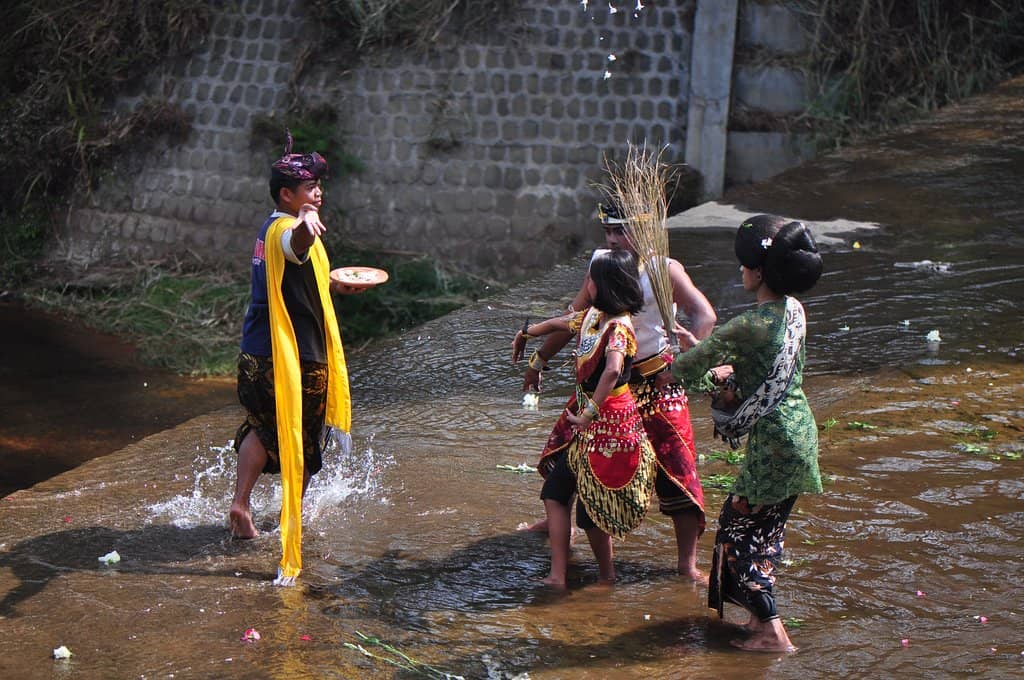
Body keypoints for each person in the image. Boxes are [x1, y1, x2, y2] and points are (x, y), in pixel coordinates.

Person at [519, 200, 716, 581]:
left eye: (621, 231)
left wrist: (683, 366)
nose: (613, 240)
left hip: (658, 382)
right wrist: (538, 360)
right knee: (564, 452)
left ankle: (687, 564)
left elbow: (705, 316)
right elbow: (575, 317)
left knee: (678, 468)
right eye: (608, 232)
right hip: (607, 389)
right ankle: (561, 524)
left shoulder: (665, 270)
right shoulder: (602, 264)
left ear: (643, 231)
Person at [672, 214, 823, 652]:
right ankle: (761, 626)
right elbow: (745, 372)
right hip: (800, 434)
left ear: (759, 272)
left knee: (737, 531)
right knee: (763, 531)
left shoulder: (747, 324)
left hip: (775, 443)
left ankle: (772, 631)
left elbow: (689, 374)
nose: (740, 272)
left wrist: (676, 366)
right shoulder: (793, 312)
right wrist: (701, 354)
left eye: (743, 266)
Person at [229, 132, 361, 586]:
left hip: (253, 355)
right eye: (310, 188)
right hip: (294, 360)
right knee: (301, 442)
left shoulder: (266, 229)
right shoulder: (287, 229)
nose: (319, 193)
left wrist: (335, 287)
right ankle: (291, 518)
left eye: (320, 186)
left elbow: (297, 278)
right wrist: (305, 221)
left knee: (261, 428)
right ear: (287, 196)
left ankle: (241, 504)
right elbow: (298, 244)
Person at [512, 249, 657, 587]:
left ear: (606, 285)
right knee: (555, 493)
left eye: (591, 278)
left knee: (590, 514)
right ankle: (558, 575)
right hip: (587, 429)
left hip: (609, 428)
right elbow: (562, 323)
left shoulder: (619, 327)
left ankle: (606, 577)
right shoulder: (594, 316)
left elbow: (613, 370)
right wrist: (527, 332)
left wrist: (589, 411)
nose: (586, 283)